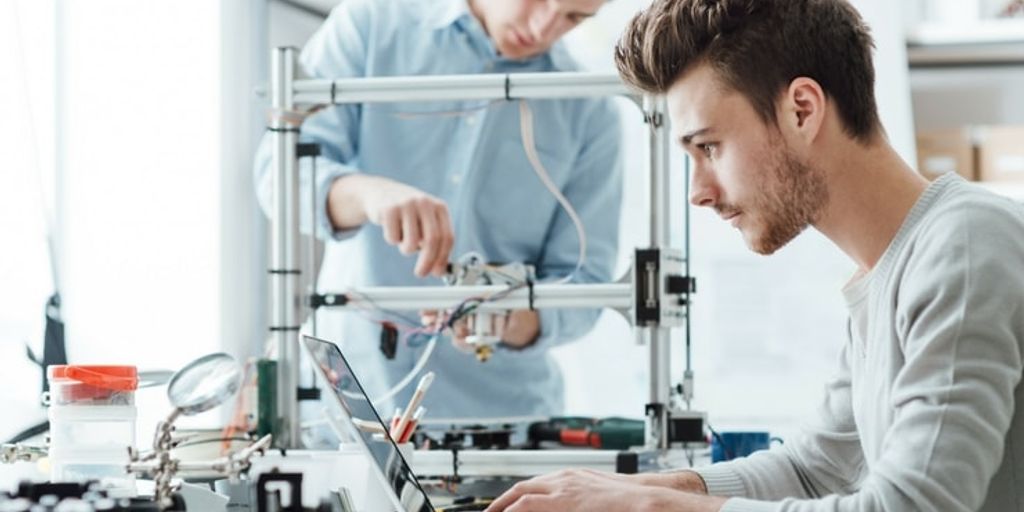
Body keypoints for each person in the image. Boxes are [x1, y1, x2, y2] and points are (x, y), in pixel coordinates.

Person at [485, 0, 1024, 510]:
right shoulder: (887, 270)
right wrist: (638, 489)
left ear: (802, 110)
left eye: (709, 147)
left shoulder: (965, 244)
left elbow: (917, 505)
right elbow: (818, 468)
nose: (698, 190)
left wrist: (649, 503)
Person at [253, 0, 623, 420]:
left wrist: (506, 318)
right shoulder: (371, 23)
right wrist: (367, 194)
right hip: (345, 405)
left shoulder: (588, 107)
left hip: (498, 424)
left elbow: (585, 284)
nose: (543, 27)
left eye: (575, 17)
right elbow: (279, 178)